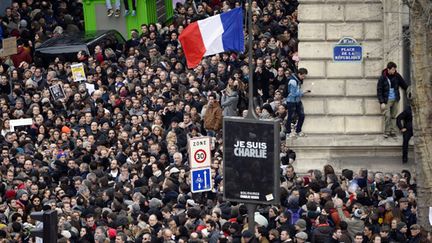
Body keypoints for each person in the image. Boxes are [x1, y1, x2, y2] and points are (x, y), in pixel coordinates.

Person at [377, 62, 408, 138]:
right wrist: (382, 102)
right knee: (387, 115)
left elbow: (404, 85)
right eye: (393, 69)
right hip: (386, 99)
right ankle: (387, 132)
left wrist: (409, 90)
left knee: (394, 116)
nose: (394, 71)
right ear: (388, 69)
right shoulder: (383, 77)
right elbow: (379, 90)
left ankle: (393, 131)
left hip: (395, 99)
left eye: (395, 69)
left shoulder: (397, 76)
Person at [285, 68, 309, 139]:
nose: (304, 78)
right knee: (290, 117)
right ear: (299, 74)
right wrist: (303, 92)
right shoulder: (293, 81)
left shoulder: (298, 80)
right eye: (303, 76)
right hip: (291, 101)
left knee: (302, 115)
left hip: (297, 101)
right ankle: (288, 132)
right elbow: (293, 93)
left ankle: (298, 131)